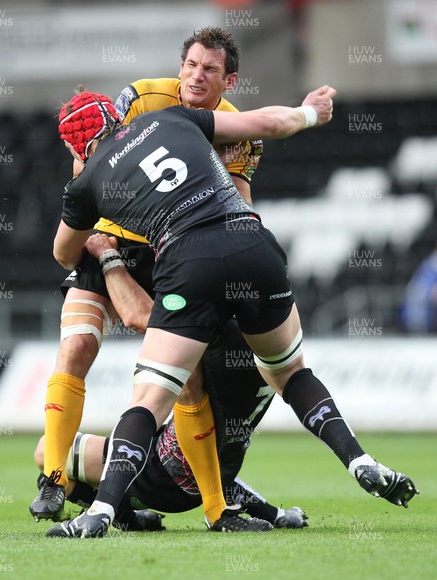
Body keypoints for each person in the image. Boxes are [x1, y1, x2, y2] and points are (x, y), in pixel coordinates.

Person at [51, 84, 418, 538]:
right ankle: (358, 459)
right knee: (291, 374)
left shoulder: (86, 182)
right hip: (254, 243)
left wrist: (91, 213)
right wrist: (309, 113)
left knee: (149, 400)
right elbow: (266, 123)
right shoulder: (171, 118)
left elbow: (65, 254)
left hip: (191, 262)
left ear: (74, 147)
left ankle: (102, 510)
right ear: (118, 119)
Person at [30, 27, 328, 531]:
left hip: (171, 247)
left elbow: (236, 196)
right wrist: (94, 236)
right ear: (180, 65)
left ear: (227, 79)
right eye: (190, 64)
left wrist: (244, 256)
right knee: (77, 346)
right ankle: (54, 480)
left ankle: (215, 506)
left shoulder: (230, 126)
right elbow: (90, 152)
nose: (196, 75)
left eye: (209, 69)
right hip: (105, 235)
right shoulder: (145, 97)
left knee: (184, 376)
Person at [40, 318, 310, 536]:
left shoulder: (211, 375)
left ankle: (111, 509)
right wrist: (275, 514)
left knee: (47, 454)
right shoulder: (254, 386)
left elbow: (136, 316)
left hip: (157, 474)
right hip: (182, 482)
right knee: (50, 454)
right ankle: (125, 514)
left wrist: (110, 261)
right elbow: (223, 473)